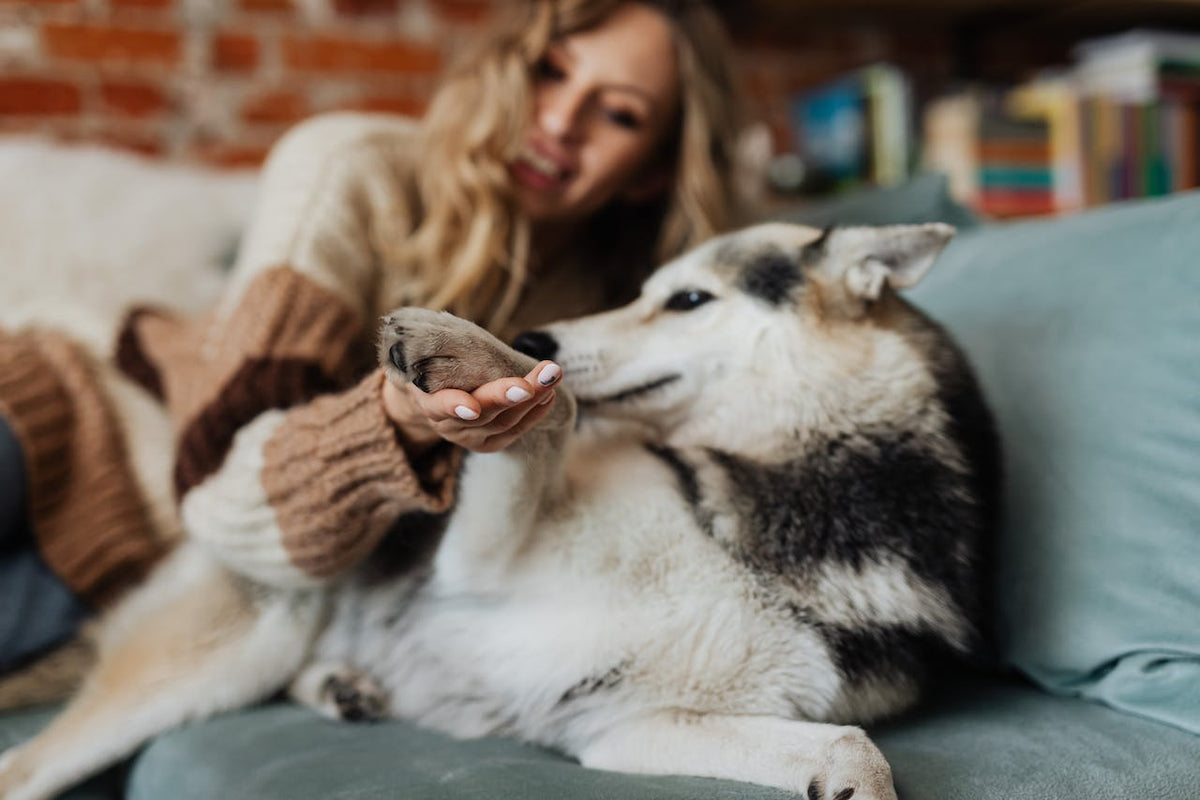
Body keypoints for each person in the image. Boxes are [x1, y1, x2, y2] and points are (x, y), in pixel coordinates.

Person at [0, 0, 743, 671]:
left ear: (651, 172)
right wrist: (394, 423)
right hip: (80, 418)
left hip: (139, 562)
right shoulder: (349, 172)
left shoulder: (614, 318)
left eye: (618, 115)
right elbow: (224, 493)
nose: (557, 123)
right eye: (548, 72)